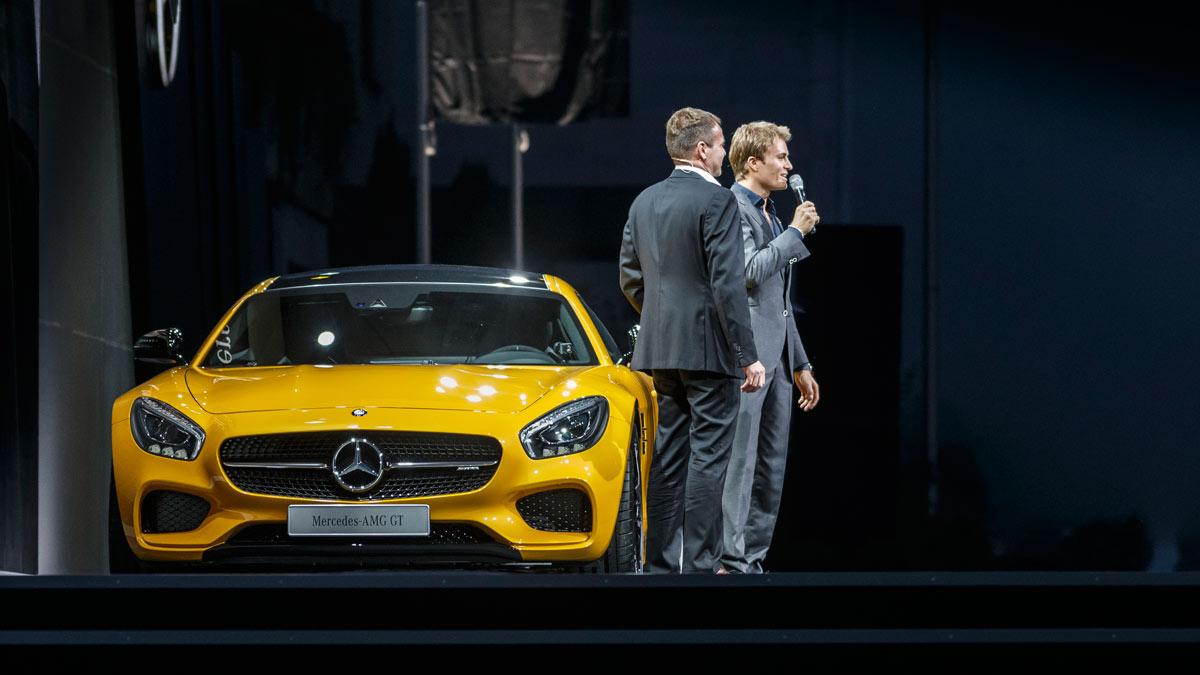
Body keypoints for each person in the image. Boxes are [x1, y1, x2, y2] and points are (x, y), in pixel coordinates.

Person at [619, 107, 766, 573]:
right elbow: (728, 284)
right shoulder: (718, 201)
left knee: (667, 457)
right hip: (709, 351)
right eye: (721, 145)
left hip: (661, 351)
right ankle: (701, 568)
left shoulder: (643, 200)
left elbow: (630, 278)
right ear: (702, 150)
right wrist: (748, 355)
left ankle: (661, 567)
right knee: (708, 459)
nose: (724, 153)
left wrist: (663, 321)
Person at [720, 121, 821, 574]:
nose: (790, 165)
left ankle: (753, 560)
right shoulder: (732, 208)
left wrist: (800, 361)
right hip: (748, 360)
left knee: (770, 466)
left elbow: (780, 302)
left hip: (778, 361)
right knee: (739, 463)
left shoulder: (771, 215)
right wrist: (795, 234)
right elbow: (747, 272)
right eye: (781, 157)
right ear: (752, 162)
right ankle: (729, 558)